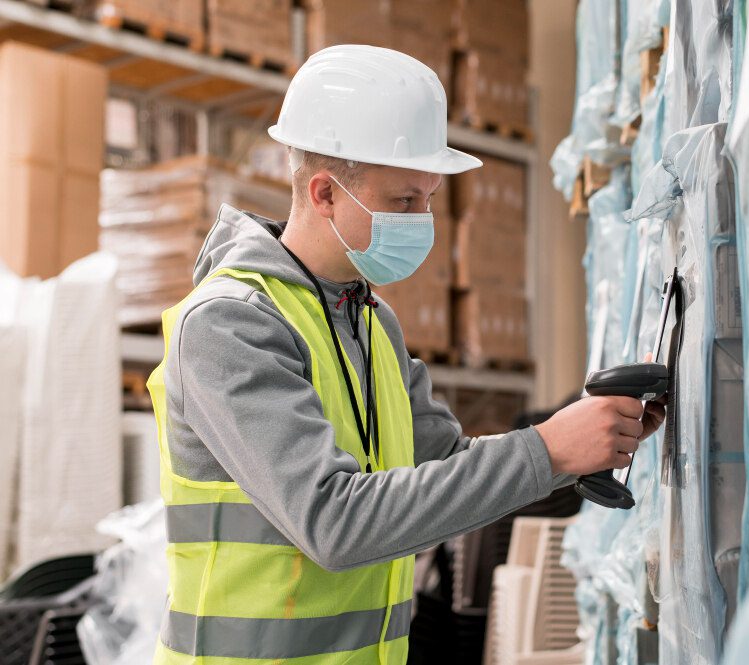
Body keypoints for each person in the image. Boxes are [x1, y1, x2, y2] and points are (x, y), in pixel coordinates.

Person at [147, 45, 665, 665]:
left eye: (427, 199)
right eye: (402, 202)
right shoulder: (229, 325)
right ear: (324, 194)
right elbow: (334, 524)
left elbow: (445, 465)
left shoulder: (366, 319)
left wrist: (581, 445)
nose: (423, 221)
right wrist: (548, 447)